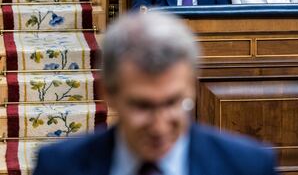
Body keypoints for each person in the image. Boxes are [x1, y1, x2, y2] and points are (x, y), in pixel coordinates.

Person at [32, 11, 277, 175]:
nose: (159, 127)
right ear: (108, 93)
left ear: (192, 86)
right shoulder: (58, 166)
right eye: (143, 106)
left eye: (173, 103)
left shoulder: (249, 166)